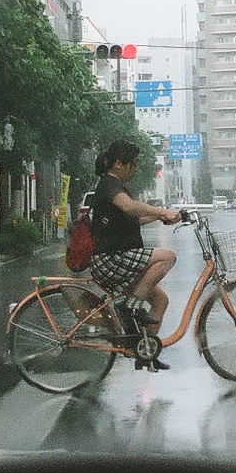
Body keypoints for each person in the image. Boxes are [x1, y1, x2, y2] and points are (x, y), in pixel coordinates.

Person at [89, 139, 181, 371]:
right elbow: (130, 207)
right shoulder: (109, 185)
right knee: (167, 256)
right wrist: (160, 209)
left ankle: (145, 350)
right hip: (112, 259)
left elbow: (133, 219)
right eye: (134, 163)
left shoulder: (117, 186)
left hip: (121, 258)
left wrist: (160, 217)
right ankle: (130, 306)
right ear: (119, 164)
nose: (136, 168)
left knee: (160, 301)